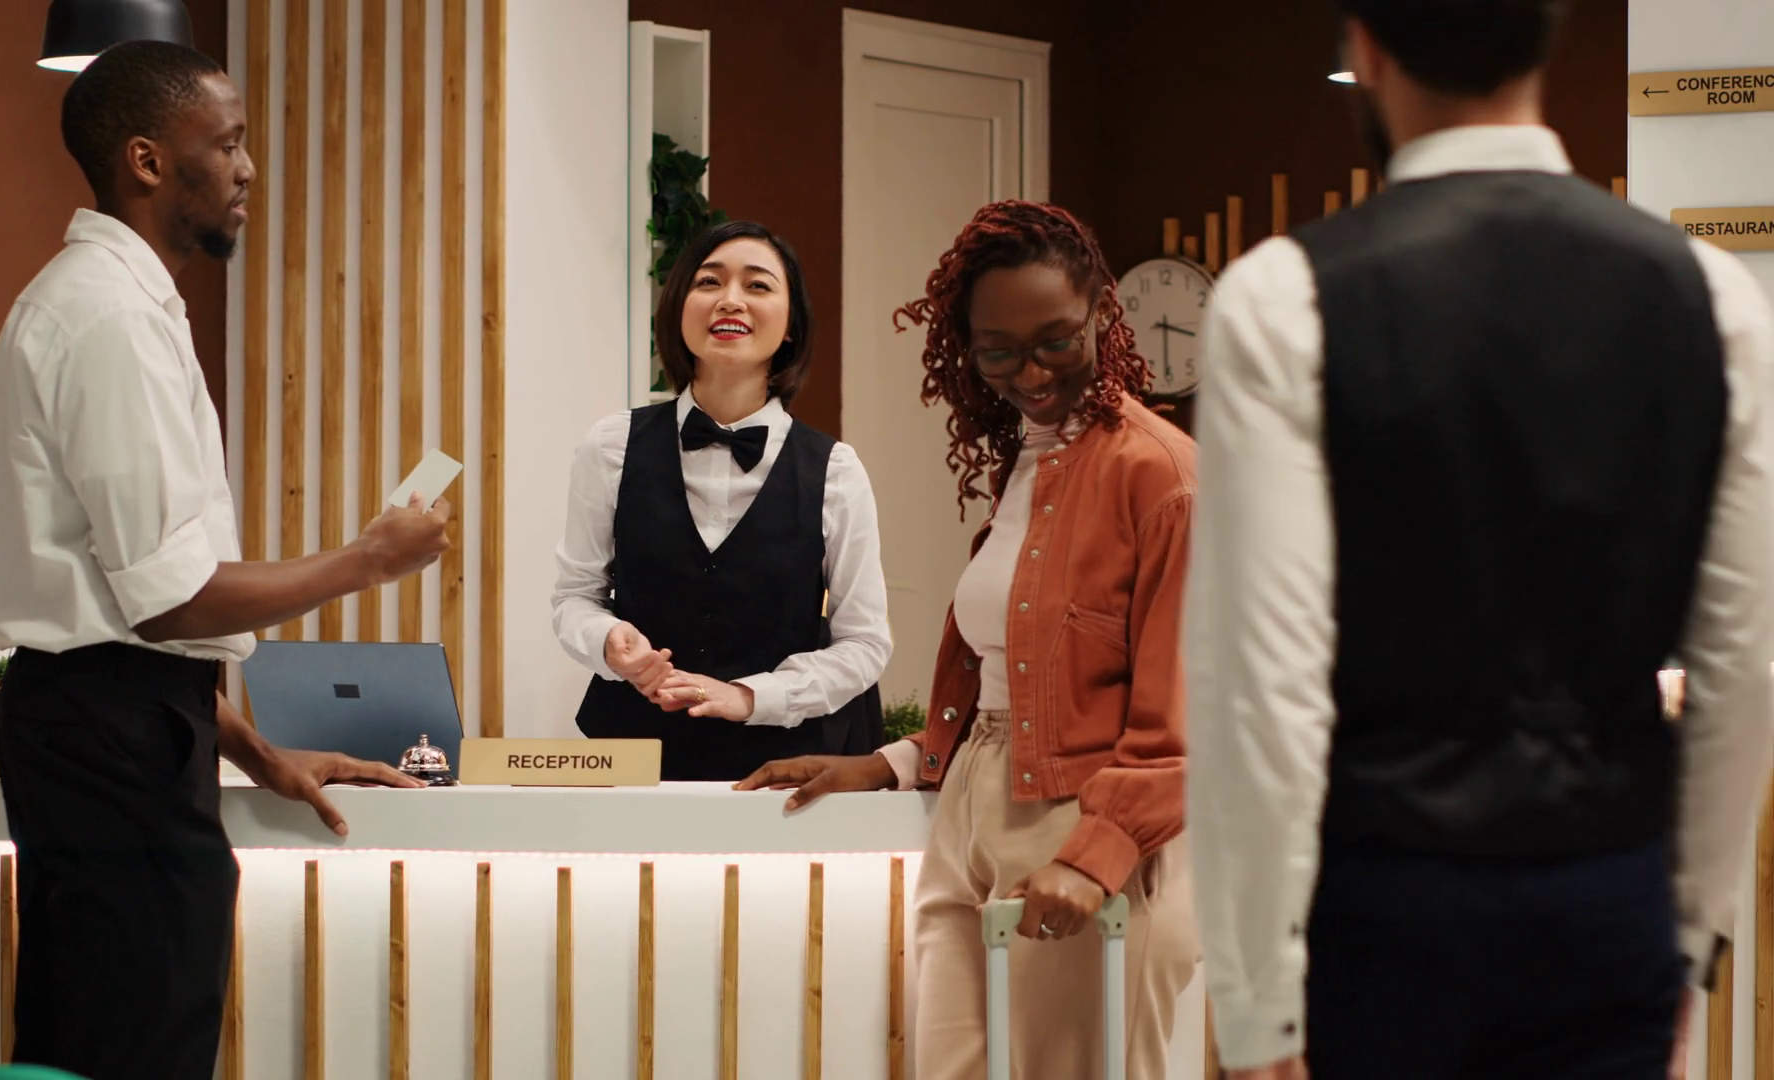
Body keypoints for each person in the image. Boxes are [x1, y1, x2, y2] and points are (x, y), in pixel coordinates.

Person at [1183, 3, 1774, 1079]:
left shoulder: (1283, 297)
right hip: (1609, 895)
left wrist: (1259, 1000)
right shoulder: (1716, 296)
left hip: (1380, 907)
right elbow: (1745, 661)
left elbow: (1263, 684)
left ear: (1366, 47)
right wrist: (1687, 935)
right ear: (1549, 36)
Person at [0, 42, 449, 1080]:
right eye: (227, 143)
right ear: (147, 160)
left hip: (120, 721)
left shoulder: (121, 303)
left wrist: (250, 747)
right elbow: (168, 602)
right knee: (130, 1048)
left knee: (108, 1034)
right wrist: (369, 559)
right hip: (109, 735)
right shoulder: (108, 317)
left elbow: (126, 610)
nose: (247, 168)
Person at [738, 202, 1199, 1080]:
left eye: (1057, 340)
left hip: (1084, 823)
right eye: (999, 351)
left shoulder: (1162, 475)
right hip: (971, 813)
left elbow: (1185, 715)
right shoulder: (1029, 464)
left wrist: (1097, 856)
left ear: (1102, 314)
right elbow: (1018, 679)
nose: (1033, 372)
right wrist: (893, 762)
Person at [552, 220, 891, 781]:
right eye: (709, 282)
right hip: (633, 765)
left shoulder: (835, 471)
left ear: (791, 325)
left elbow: (864, 643)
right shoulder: (611, 446)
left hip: (781, 773)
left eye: (757, 285)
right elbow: (574, 597)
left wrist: (750, 696)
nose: (730, 299)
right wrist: (607, 641)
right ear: (679, 308)